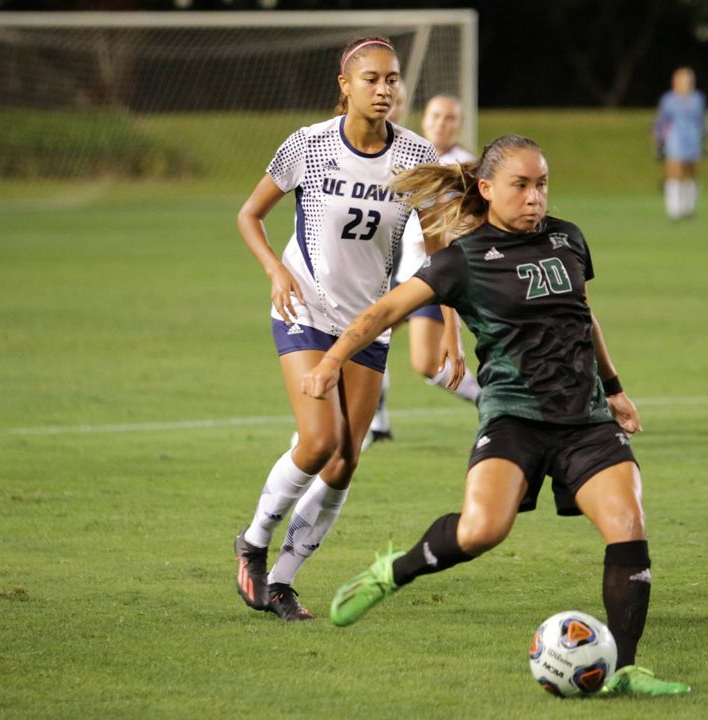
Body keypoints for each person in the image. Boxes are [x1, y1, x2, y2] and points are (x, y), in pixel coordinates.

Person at [301, 135, 690, 697]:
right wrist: (334, 359)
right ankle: (393, 571)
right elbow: (387, 309)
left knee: (628, 526)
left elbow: (582, 313)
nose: (535, 197)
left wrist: (615, 388)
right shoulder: (463, 258)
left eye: (542, 184)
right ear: (486, 189)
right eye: (521, 185)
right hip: (514, 415)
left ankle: (625, 668)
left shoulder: (568, 238)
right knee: (483, 530)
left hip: (585, 417)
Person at [232, 36, 448, 622]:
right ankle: (252, 543)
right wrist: (275, 269)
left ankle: (281, 581)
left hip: (369, 323)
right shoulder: (307, 145)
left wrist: (445, 321)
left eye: (393, 80)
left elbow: (439, 250)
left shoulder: (417, 157)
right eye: (372, 79)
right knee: (320, 440)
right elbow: (249, 215)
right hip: (303, 309)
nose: (385, 90)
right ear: (345, 86)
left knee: (345, 461)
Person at [366, 95, 481, 445]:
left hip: (438, 275)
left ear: (458, 124)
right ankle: (377, 425)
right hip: (404, 272)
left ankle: (490, 401)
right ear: (425, 118)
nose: (441, 123)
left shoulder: (468, 167)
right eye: (435, 115)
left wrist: (453, 235)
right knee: (366, 337)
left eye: (449, 117)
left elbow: (481, 219)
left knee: (427, 364)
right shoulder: (411, 157)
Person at [653, 67, 708, 221]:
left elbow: (702, 119)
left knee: (692, 172)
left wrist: (706, 136)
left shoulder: (697, 98)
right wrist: (658, 140)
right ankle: (674, 208)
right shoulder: (669, 99)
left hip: (693, 138)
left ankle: (688, 206)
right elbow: (661, 121)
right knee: (674, 171)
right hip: (675, 138)